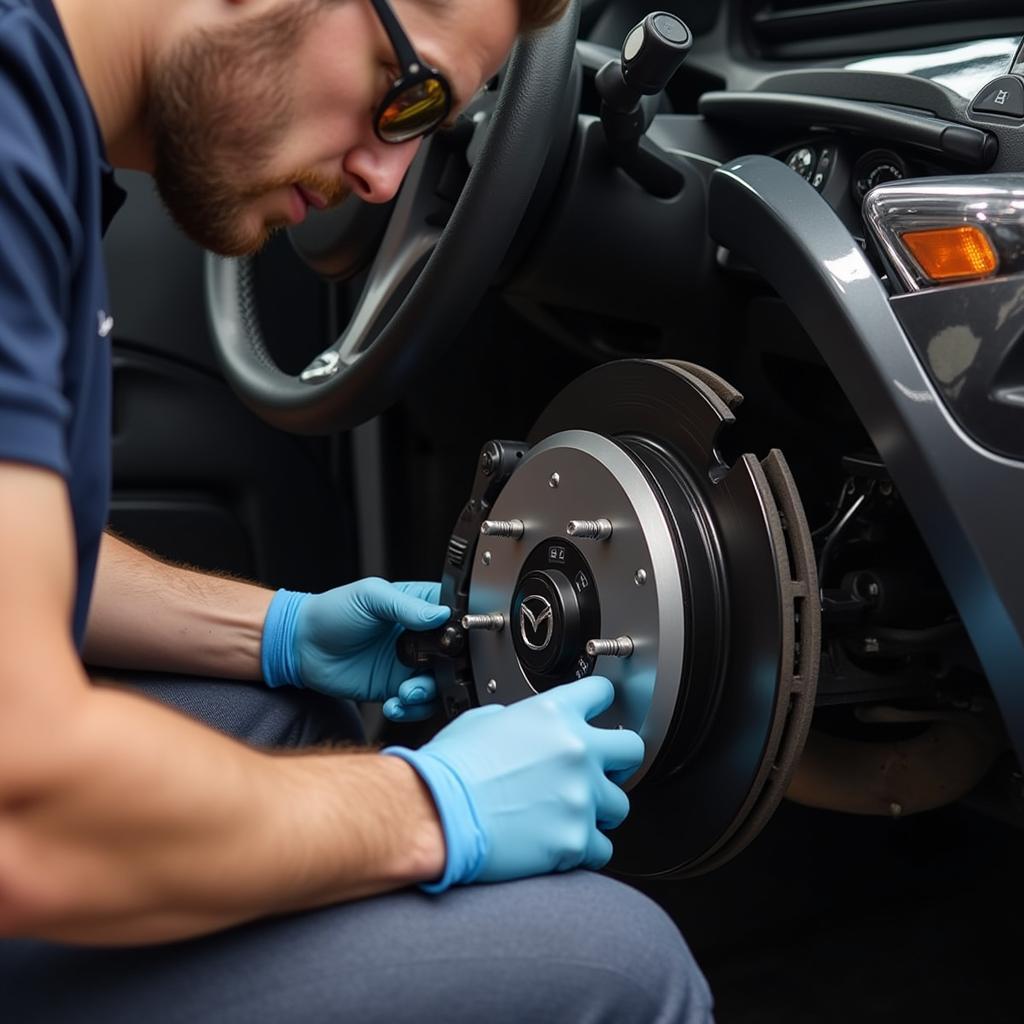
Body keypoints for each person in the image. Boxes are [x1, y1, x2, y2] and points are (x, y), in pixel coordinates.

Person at [0, 0, 714, 1019]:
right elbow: (22, 807)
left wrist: (280, 631)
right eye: (406, 90)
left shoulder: (45, 121)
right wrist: (429, 808)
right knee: (620, 963)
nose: (384, 178)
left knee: (289, 713)